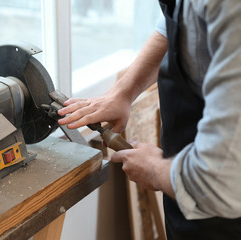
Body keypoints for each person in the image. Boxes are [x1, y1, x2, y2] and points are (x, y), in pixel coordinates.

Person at [58, 0, 241, 239]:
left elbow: (223, 179)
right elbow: (180, 24)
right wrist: (124, 91)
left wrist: (155, 170)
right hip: (186, 197)